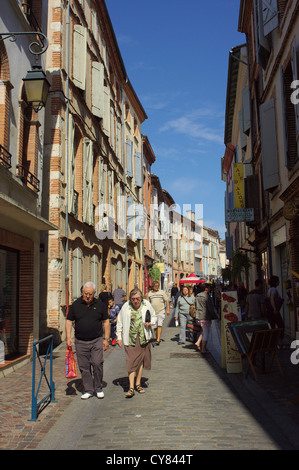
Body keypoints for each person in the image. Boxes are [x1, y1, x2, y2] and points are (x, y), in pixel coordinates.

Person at [66, 281, 110, 400]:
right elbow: (69, 321)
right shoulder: (75, 305)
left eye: (90, 294)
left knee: (97, 363)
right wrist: (68, 337)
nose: (88, 296)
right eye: (86, 293)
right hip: (80, 341)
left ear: (94, 293)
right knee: (84, 367)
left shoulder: (100, 305)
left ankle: (98, 388)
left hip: (96, 340)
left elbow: (106, 322)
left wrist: (106, 339)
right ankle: (89, 390)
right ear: (82, 292)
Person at [116, 288, 157, 398]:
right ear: (130, 299)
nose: (135, 301)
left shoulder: (146, 304)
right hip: (130, 339)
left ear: (141, 298)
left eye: (138, 298)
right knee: (131, 361)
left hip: (144, 337)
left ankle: (138, 384)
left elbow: (154, 317)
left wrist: (150, 323)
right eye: (133, 299)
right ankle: (131, 387)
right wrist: (119, 337)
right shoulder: (126, 306)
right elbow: (119, 321)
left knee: (140, 361)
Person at [194, 283, 218, 353]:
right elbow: (210, 309)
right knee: (206, 333)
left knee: (204, 331)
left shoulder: (197, 296)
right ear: (206, 289)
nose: (210, 289)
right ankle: (203, 349)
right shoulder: (207, 297)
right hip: (205, 317)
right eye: (209, 288)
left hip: (198, 316)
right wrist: (216, 317)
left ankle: (198, 342)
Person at [146, 281, 170, 345]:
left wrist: (168, 309)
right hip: (153, 313)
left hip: (161, 311)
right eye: (155, 286)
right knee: (154, 326)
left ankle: (158, 339)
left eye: (158, 286)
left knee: (159, 324)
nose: (157, 287)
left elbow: (167, 300)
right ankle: (157, 337)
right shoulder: (149, 294)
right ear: (153, 287)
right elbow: (147, 303)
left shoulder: (161, 292)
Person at [265, 275, 285, 344]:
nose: (279, 282)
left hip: (270, 312)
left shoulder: (269, 289)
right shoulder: (273, 289)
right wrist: (275, 309)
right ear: (276, 282)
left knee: (272, 327)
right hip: (274, 311)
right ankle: (279, 343)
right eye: (278, 281)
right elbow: (272, 299)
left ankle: (272, 343)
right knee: (281, 325)